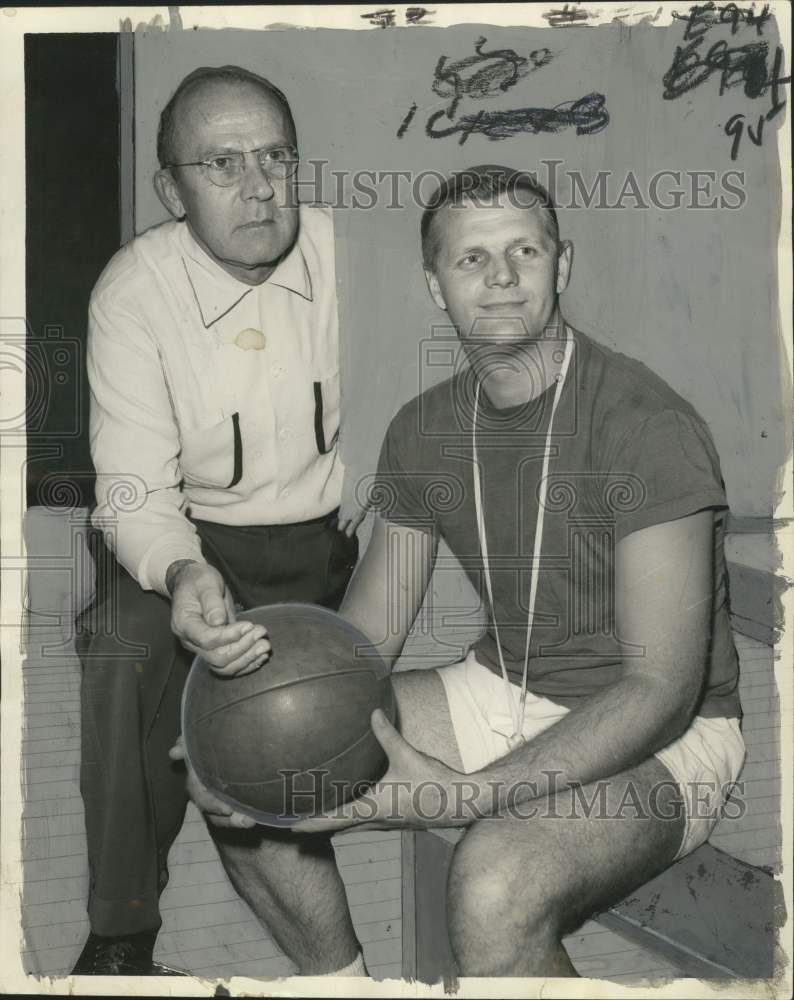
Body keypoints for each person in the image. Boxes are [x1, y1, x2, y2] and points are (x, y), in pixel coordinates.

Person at [178, 164, 746, 978]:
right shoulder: (424, 430)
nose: (503, 277)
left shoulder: (646, 426)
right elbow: (361, 644)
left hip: (674, 735)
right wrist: (240, 704)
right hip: (505, 687)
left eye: (525, 249)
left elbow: (658, 689)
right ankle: (342, 988)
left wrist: (469, 791)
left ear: (565, 265)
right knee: (244, 770)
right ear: (435, 286)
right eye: (471, 259)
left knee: (492, 884)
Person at [73, 65, 363, 976]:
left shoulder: (351, 252)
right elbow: (132, 489)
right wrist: (180, 572)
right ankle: (121, 935)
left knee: (309, 727)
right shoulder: (134, 292)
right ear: (171, 190)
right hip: (194, 541)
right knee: (124, 649)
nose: (261, 186)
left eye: (276, 155)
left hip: (328, 540)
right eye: (222, 163)